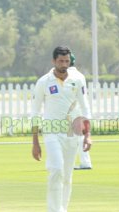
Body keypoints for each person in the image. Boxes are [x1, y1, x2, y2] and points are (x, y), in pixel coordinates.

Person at [31, 46, 92, 212]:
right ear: (53, 61)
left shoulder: (77, 80)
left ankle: (62, 209)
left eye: (66, 61)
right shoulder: (44, 82)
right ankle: (54, 210)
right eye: (60, 61)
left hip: (71, 132)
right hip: (51, 131)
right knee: (56, 169)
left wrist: (88, 135)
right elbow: (35, 112)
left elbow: (85, 108)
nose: (64, 64)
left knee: (66, 175)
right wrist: (35, 142)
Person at [68, 53, 92, 170]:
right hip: (80, 109)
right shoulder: (80, 75)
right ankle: (86, 162)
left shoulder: (64, 74)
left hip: (69, 110)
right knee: (80, 136)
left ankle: (69, 163)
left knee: (68, 137)